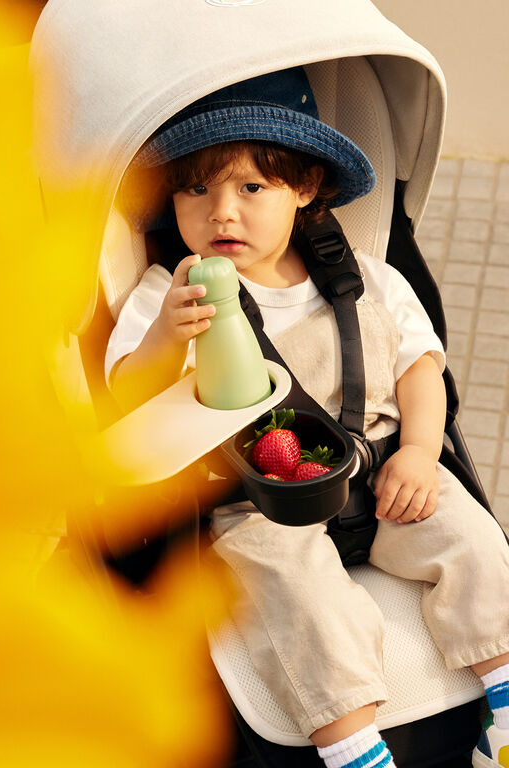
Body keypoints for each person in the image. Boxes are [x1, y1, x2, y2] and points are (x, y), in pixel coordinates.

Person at [105, 67, 509, 768]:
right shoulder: (166, 293)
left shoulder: (367, 279)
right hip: (263, 504)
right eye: (196, 189)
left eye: (251, 188)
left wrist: (418, 450)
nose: (221, 212)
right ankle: (353, 748)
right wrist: (168, 338)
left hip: (386, 477)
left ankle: (501, 709)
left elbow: (422, 371)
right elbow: (127, 396)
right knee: (301, 601)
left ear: (305, 188)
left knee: (476, 543)